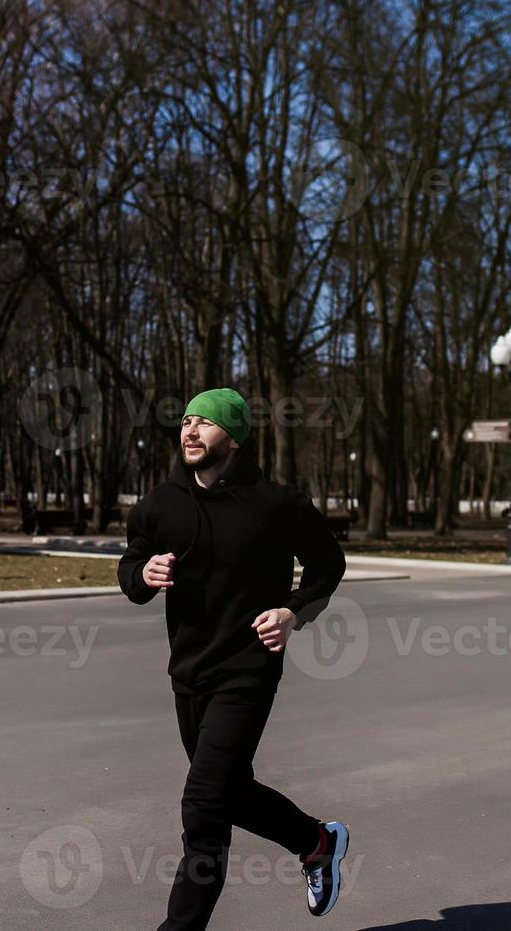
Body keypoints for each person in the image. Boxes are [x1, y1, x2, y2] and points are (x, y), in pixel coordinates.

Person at [118, 387, 349, 930]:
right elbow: (130, 569)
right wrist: (142, 575)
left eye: (205, 422)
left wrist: (294, 613)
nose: (190, 430)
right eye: (187, 421)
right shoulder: (159, 504)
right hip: (188, 674)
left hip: (248, 670)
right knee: (228, 793)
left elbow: (328, 566)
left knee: (202, 804)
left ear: (236, 438)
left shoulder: (277, 504)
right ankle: (317, 841)